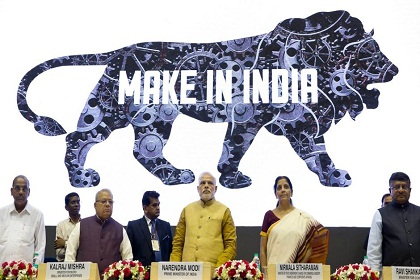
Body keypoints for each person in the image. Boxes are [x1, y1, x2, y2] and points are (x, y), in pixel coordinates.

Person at [170, 171, 237, 268]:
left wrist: (218, 269)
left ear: (216, 189)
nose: (206, 186)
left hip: (212, 270)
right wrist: (173, 268)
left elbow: (231, 245)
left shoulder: (224, 211)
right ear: (198, 189)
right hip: (186, 271)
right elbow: (178, 243)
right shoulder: (187, 210)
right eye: (202, 183)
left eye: (210, 183)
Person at [260, 176, 326, 271]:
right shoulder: (269, 215)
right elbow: (263, 249)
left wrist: (298, 268)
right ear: (275, 194)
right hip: (272, 271)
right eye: (279, 188)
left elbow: (313, 244)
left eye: (286, 187)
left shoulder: (303, 218)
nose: (283, 190)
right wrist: (265, 272)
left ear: (291, 192)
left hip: (294, 273)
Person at [65, 188, 133, 274]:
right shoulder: (81, 226)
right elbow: (70, 255)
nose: (107, 205)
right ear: (95, 205)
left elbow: (128, 258)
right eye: (103, 201)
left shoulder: (120, 229)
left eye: (110, 202)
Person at [367, 172, 420, 273]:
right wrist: (375, 275)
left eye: (404, 187)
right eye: (396, 187)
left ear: (410, 190)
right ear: (390, 191)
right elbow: (374, 252)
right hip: (391, 275)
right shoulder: (380, 214)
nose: (401, 190)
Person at [0, 175, 46, 264]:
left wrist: (34, 270)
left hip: (27, 275)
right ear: (11, 191)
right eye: (17, 188)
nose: (21, 192)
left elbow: (40, 247)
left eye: (24, 189)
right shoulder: (1, 213)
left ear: (29, 192)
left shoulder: (37, 215)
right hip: (2, 272)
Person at [127, 191, 173, 266]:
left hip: (164, 272)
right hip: (143, 273)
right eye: (154, 205)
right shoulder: (133, 226)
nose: (158, 208)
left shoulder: (166, 226)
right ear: (145, 208)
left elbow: (171, 250)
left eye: (158, 205)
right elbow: (129, 253)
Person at [55, 192, 81, 262]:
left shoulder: (86, 224)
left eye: (78, 202)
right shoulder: (61, 226)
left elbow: (86, 250)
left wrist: (65, 244)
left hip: (83, 265)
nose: (76, 205)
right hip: (64, 265)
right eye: (73, 202)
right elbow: (59, 254)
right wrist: (77, 248)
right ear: (66, 207)